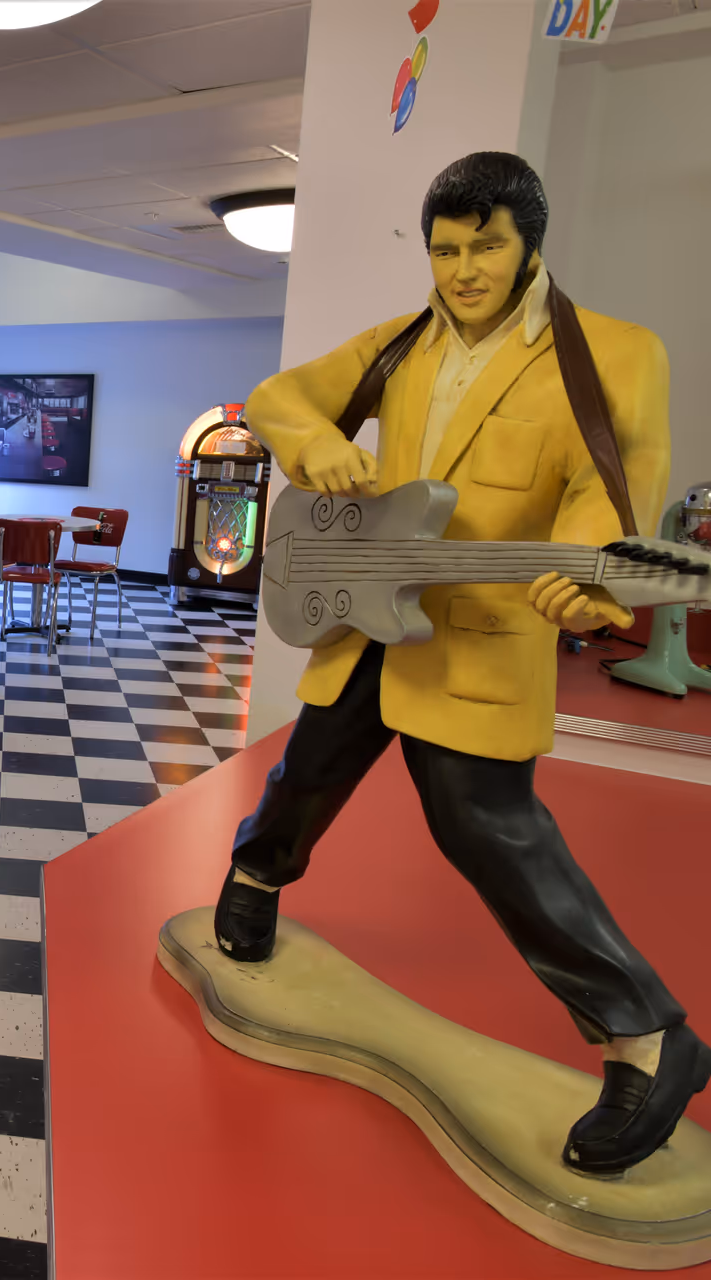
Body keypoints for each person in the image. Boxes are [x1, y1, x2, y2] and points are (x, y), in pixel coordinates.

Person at [214, 152, 704, 1176]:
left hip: (479, 637)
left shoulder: (611, 354)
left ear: (531, 239)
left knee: (490, 833)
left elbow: (611, 499)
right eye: (446, 248)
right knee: (306, 772)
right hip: (365, 615)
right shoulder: (400, 344)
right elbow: (277, 397)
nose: (464, 268)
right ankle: (255, 873)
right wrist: (321, 449)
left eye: (485, 244)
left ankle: (649, 1037)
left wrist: (591, 583)